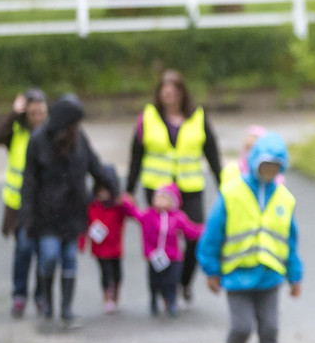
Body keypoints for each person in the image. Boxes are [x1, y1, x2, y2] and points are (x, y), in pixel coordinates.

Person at [199, 132, 302, 343]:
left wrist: (295, 275)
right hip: (237, 278)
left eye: (275, 166)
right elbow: (212, 233)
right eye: (265, 164)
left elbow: (290, 240)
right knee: (242, 327)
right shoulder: (231, 193)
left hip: (269, 278)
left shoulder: (285, 198)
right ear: (254, 162)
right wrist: (211, 269)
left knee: (270, 330)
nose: (269, 171)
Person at [125, 69, 223, 305]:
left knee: (195, 236)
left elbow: (211, 153)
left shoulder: (198, 116)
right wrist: (129, 189)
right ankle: (162, 285)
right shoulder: (148, 117)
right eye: (164, 91)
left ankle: (183, 281)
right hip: (158, 189)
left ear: (182, 93)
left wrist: (223, 184)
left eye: (173, 91)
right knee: (160, 237)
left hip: (189, 187)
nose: (168, 95)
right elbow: (136, 155)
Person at [19, 94, 117, 329]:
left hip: (73, 212)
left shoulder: (79, 139)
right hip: (47, 214)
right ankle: (47, 301)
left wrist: (112, 189)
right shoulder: (38, 140)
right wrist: (27, 215)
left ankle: (66, 310)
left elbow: (95, 166)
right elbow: (29, 182)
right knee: (50, 257)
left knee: (70, 259)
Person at [0, 88, 48, 317]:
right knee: (24, 249)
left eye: (40, 113)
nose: (37, 118)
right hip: (19, 205)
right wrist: (13, 114)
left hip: (44, 206)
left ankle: (42, 296)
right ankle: (19, 294)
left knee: (44, 253)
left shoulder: (51, 133)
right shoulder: (16, 131)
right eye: (32, 113)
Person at [131, 183, 204, 318]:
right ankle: (154, 299)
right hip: (154, 257)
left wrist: (208, 230)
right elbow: (135, 214)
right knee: (154, 282)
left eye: (164, 197)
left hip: (173, 257)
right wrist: (125, 202)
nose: (160, 200)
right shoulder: (149, 215)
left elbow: (191, 230)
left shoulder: (178, 217)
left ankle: (171, 302)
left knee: (172, 281)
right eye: (158, 197)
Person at [82, 175, 131, 313]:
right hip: (100, 250)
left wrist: (123, 200)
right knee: (106, 273)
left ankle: (115, 294)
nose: (103, 194)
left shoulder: (117, 207)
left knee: (118, 275)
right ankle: (108, 297)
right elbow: (84, 226)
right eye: (100, 191)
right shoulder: (91, 207)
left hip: (115, 248)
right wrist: (81, 243)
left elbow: (132, 212)